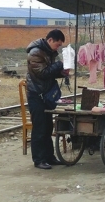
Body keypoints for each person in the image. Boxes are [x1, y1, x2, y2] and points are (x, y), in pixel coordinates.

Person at [26, 29, 69, 170]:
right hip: (36, 95)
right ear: (50, 40)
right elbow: (43, 73)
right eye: (57, 45)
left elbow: (50, 72)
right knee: (39, 128)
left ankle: (49, 156)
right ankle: (38, 159)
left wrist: (63, 73)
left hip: (45, 94)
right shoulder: (35, 53)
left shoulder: (48, 52)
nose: (58, 48)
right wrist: (60, 64)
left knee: (48, 126)